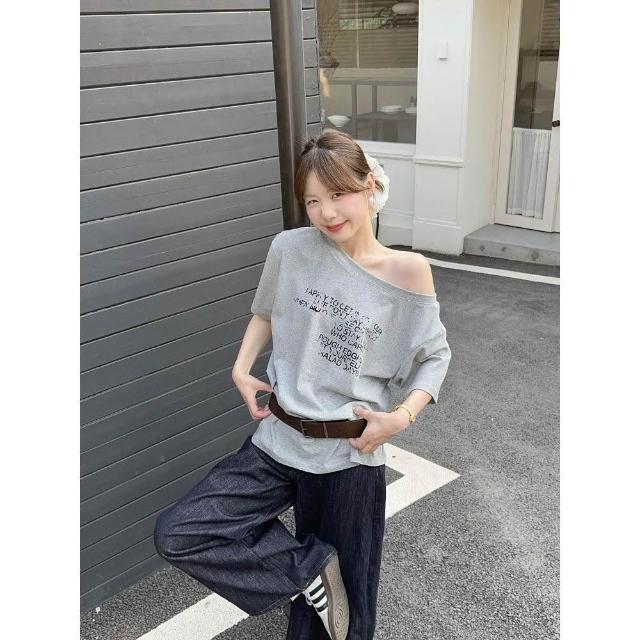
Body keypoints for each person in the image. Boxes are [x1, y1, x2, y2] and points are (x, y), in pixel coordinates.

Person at [153, 129, 452, 640]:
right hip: (277, 440)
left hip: (348, 456)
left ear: (369, 185)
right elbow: (266, 310)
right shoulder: (290, 248)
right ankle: (307, 568)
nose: (326, 213)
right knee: (181, 531)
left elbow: (434, 356)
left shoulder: (407, 271)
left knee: (343, 621)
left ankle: (315, 581)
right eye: (313, 201)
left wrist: (401, 417)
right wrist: (240, 367)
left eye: (338, 194)